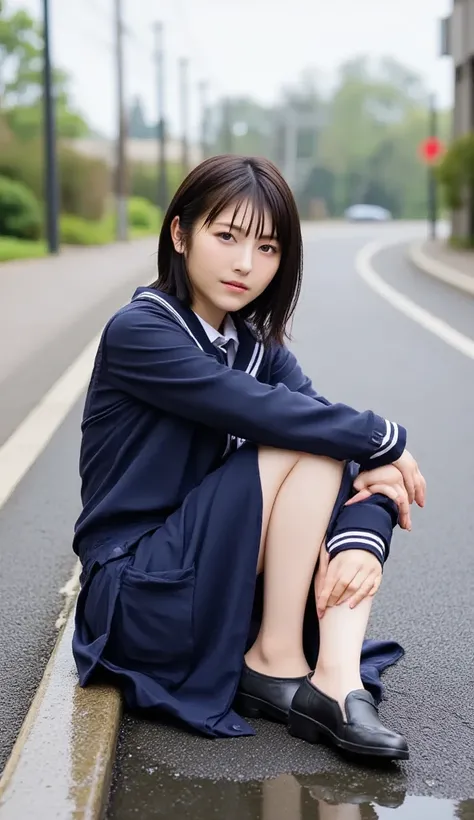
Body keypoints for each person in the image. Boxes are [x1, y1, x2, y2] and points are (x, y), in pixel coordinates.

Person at [72, 154, 425, 762]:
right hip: (137, 594)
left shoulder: (257, 349)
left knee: (331, 448)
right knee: (308, 438)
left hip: (222, 585)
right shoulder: (141, 332)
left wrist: (364, 539)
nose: (245, 264)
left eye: (267, 247)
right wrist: (383, 437)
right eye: (226, 237)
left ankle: (336, 682)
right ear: (180, 235)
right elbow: (279, 418)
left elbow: (333, 445)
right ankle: (276, 661)